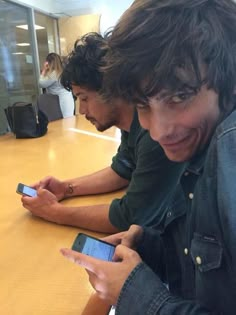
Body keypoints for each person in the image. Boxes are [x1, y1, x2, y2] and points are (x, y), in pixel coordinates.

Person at [60, 1, 236, 314]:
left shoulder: (228, 155)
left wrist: (136, 294)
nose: (157, 132)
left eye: (179, 97)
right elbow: (204, 263)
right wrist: (152, 247)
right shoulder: (197, 150)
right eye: (143, 105)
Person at [21, 33, 184, 233]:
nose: (81, 110)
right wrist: (66, 187)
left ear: (112, 89)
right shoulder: (131, 124)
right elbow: (122, 170)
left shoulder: (155, 134)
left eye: (84, 98)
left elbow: (131, 217)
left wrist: (55, 212)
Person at [39, 52, 74, 118]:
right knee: (67, 122)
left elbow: (41, 84)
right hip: (66, 100)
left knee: (62, 123)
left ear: (49, 62)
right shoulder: (61, 71)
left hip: (61, 102)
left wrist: (43, 71)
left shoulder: (54, 73)